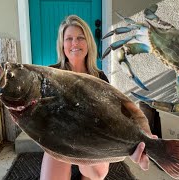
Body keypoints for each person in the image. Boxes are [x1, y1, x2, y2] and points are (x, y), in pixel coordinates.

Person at [40, 15, 157, 180]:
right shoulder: (50, 74)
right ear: (62, 44)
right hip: (60, 141)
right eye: (69, 39)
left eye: (80, 38)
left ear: (88, 42)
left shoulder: (100, 78)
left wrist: (142, 132)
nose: (75, 43)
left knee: (98, 173)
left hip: (90, 143)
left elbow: (118, 113)